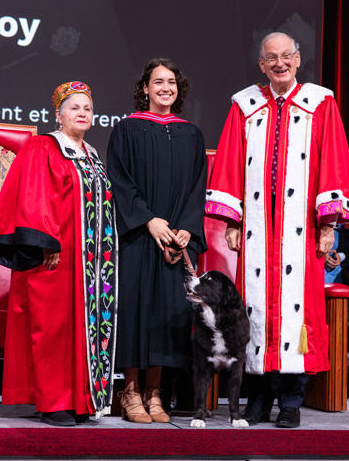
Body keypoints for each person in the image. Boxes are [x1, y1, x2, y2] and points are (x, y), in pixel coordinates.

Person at [206, 31, 349, 428]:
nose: (279, 63)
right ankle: (258, 398)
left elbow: (334, 161)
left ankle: (291, 400)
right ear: (261, 64)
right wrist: (233, 219)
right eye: (271, 58)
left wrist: (328, 223)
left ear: (298, 59)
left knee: (297, 312)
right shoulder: (246, 105)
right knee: (256, 310)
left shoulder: (320, 103)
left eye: (286, 56)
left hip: (300, 229)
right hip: (258, 230)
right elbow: (229, 161)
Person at [0, 82, 118, 427]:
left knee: (82, 329)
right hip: (54, 255)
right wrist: (45, 241)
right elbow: (33, 194)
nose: (82, 113)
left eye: (87, 108)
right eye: (74, 108)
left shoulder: (91, 154)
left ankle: (79, 400)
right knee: (52, 328)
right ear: (58, 114)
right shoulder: (43, 146)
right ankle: (52, 401)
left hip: (89, 263)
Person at [107, 58, 206, 424]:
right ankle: (130, 392)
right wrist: (149, 220)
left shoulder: (191, 134)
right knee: (136, 310)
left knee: (170, 313)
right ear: (145, 89)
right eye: (158, 82)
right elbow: (119, 181)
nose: (165, 88)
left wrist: (186, 230)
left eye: (171, 82)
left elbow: (198, 188)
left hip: (177, 240)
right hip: (139, 236)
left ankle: (155, 393)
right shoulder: (127, 130)